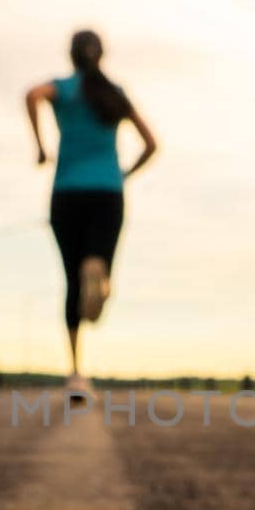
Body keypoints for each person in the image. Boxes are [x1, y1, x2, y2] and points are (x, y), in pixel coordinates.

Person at [25, 30, 158, 395]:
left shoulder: (64, 89)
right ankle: (99, 272)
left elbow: (32, 95)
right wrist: (125, 173)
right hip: (108, 191)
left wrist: (40, 146)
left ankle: (76, 372)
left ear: (71, 56)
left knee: (70, 281)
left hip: (67, 191)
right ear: (102, 56)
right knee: (100, 264)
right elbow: (151, 144)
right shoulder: (115, 95)